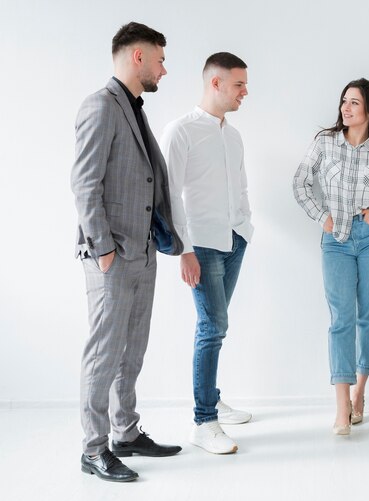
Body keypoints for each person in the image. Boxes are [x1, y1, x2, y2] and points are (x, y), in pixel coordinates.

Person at [71, 22, 184, 482]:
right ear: (137, 56)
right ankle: (93, 449)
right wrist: (103, 251)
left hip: (142, 251)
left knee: (131, 350)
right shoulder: (100, 105)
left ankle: (125, 432)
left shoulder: (132, 108)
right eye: (159, 58)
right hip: (113, 254)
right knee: (104, 352)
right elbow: (84, 182)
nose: (164, 68)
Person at [293, 78, 369, 435]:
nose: (346, 108)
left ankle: (360, 393)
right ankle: (341, 407)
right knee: (341, 319)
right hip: (336, 239)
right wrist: (323, 217)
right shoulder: (325, 143)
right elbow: (300, 183)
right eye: (344, 101)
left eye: (354, 103)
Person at [160, 52, 253, 455]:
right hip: (201, 244)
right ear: (215, 84)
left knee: (217, 325)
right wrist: (183, 250)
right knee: (211, 327)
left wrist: (246, 228)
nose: (245, 92)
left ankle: (210, 399)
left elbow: (240, 186)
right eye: (239, 85)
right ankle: (203, 420)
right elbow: (168, 195)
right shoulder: (180, 131)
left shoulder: (232, 134)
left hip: (235, 238)